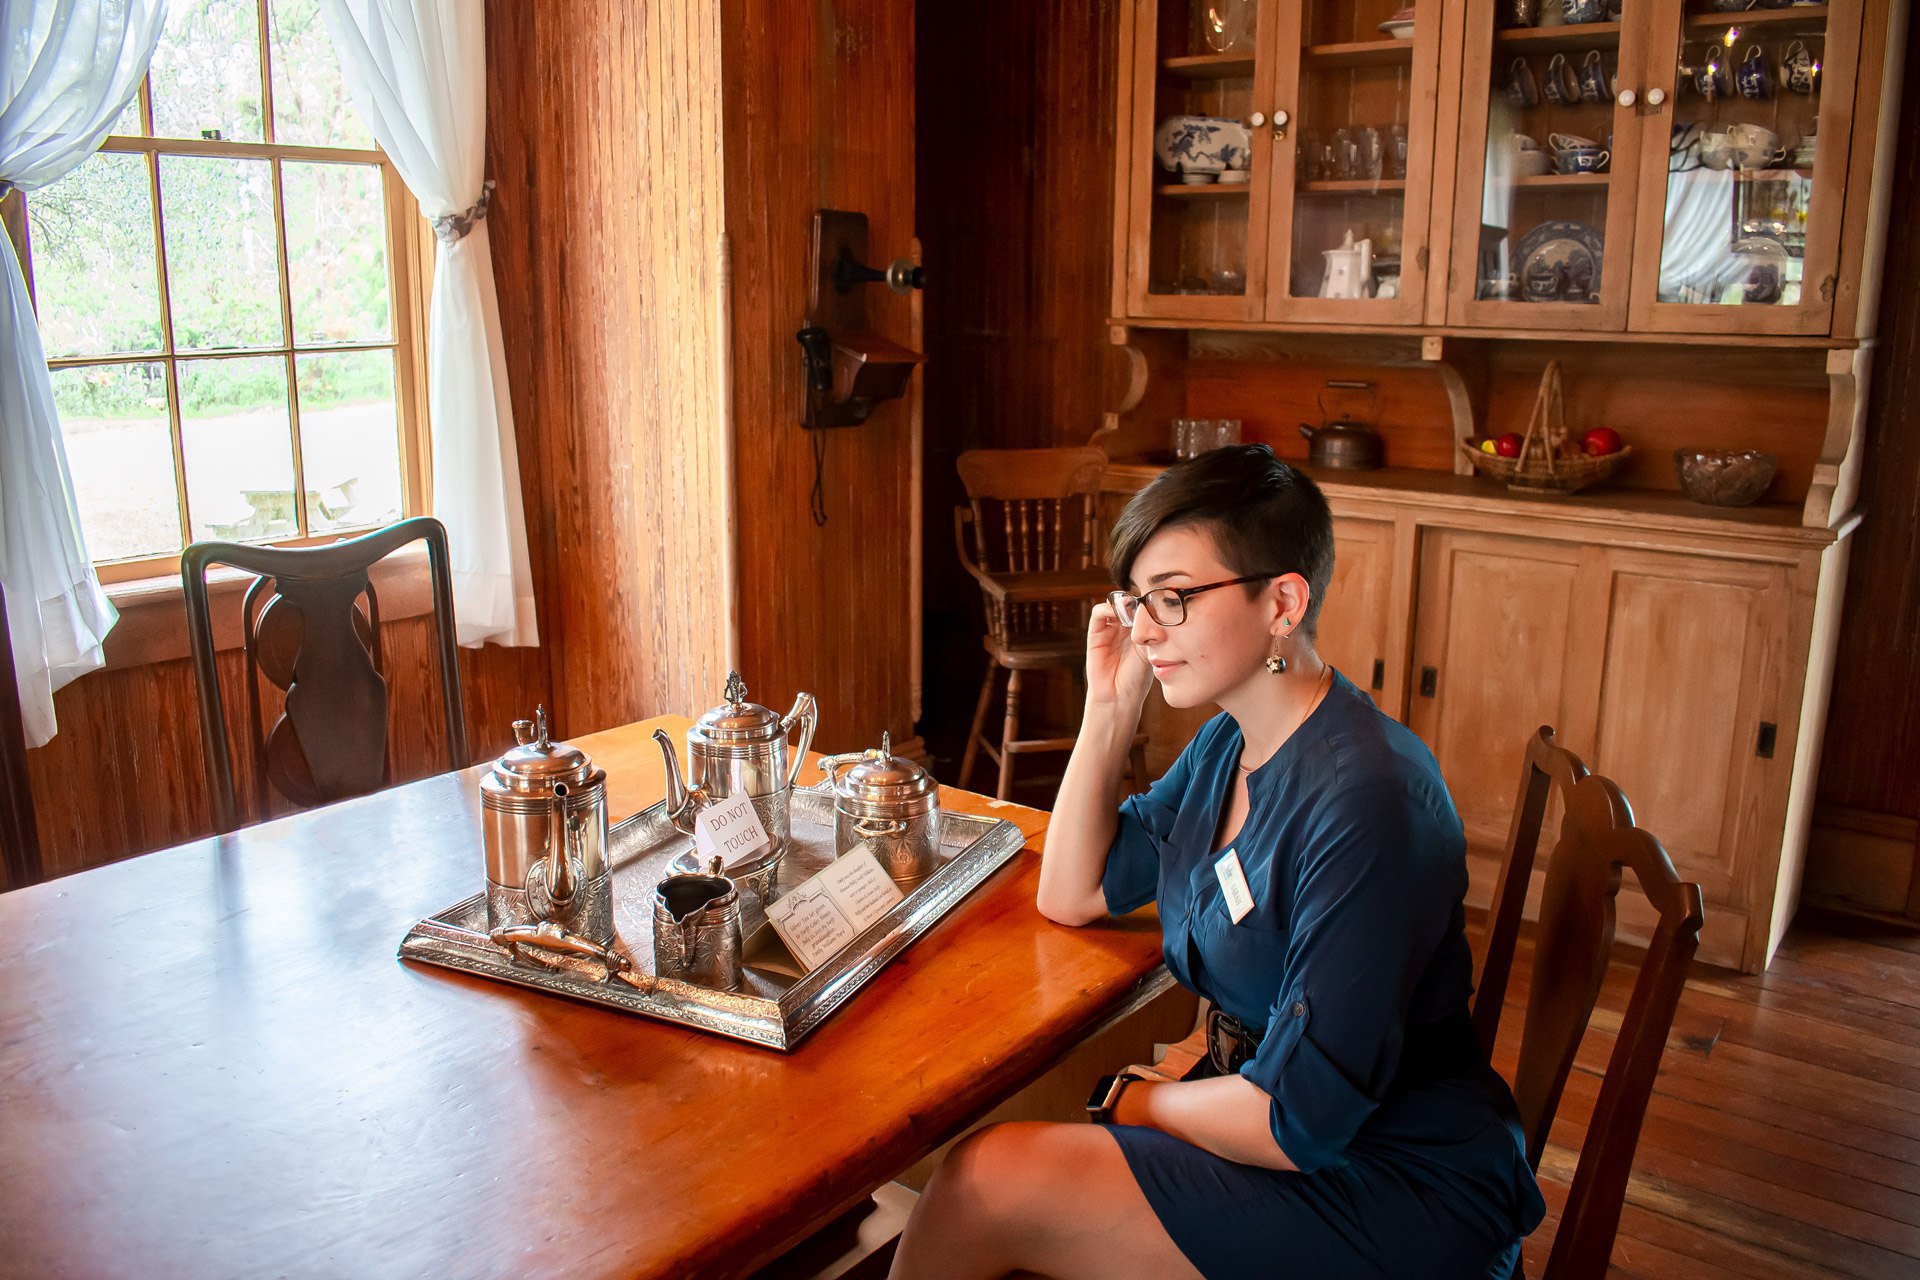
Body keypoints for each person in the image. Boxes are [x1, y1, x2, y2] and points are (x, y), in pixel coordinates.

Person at [888, 445, 1545, 1279]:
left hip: (1391, 1182)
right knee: (998, 1178)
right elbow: (1075, 890)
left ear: (1282, 602)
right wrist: (1112, 703)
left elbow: (1294, 1122)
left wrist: (1140, 1098)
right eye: (1136, 601)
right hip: (1278, 1122)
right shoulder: (1231, 740)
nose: (1145, 628)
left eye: (1175, 598)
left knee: (985, 1181)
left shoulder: (1367, 800)